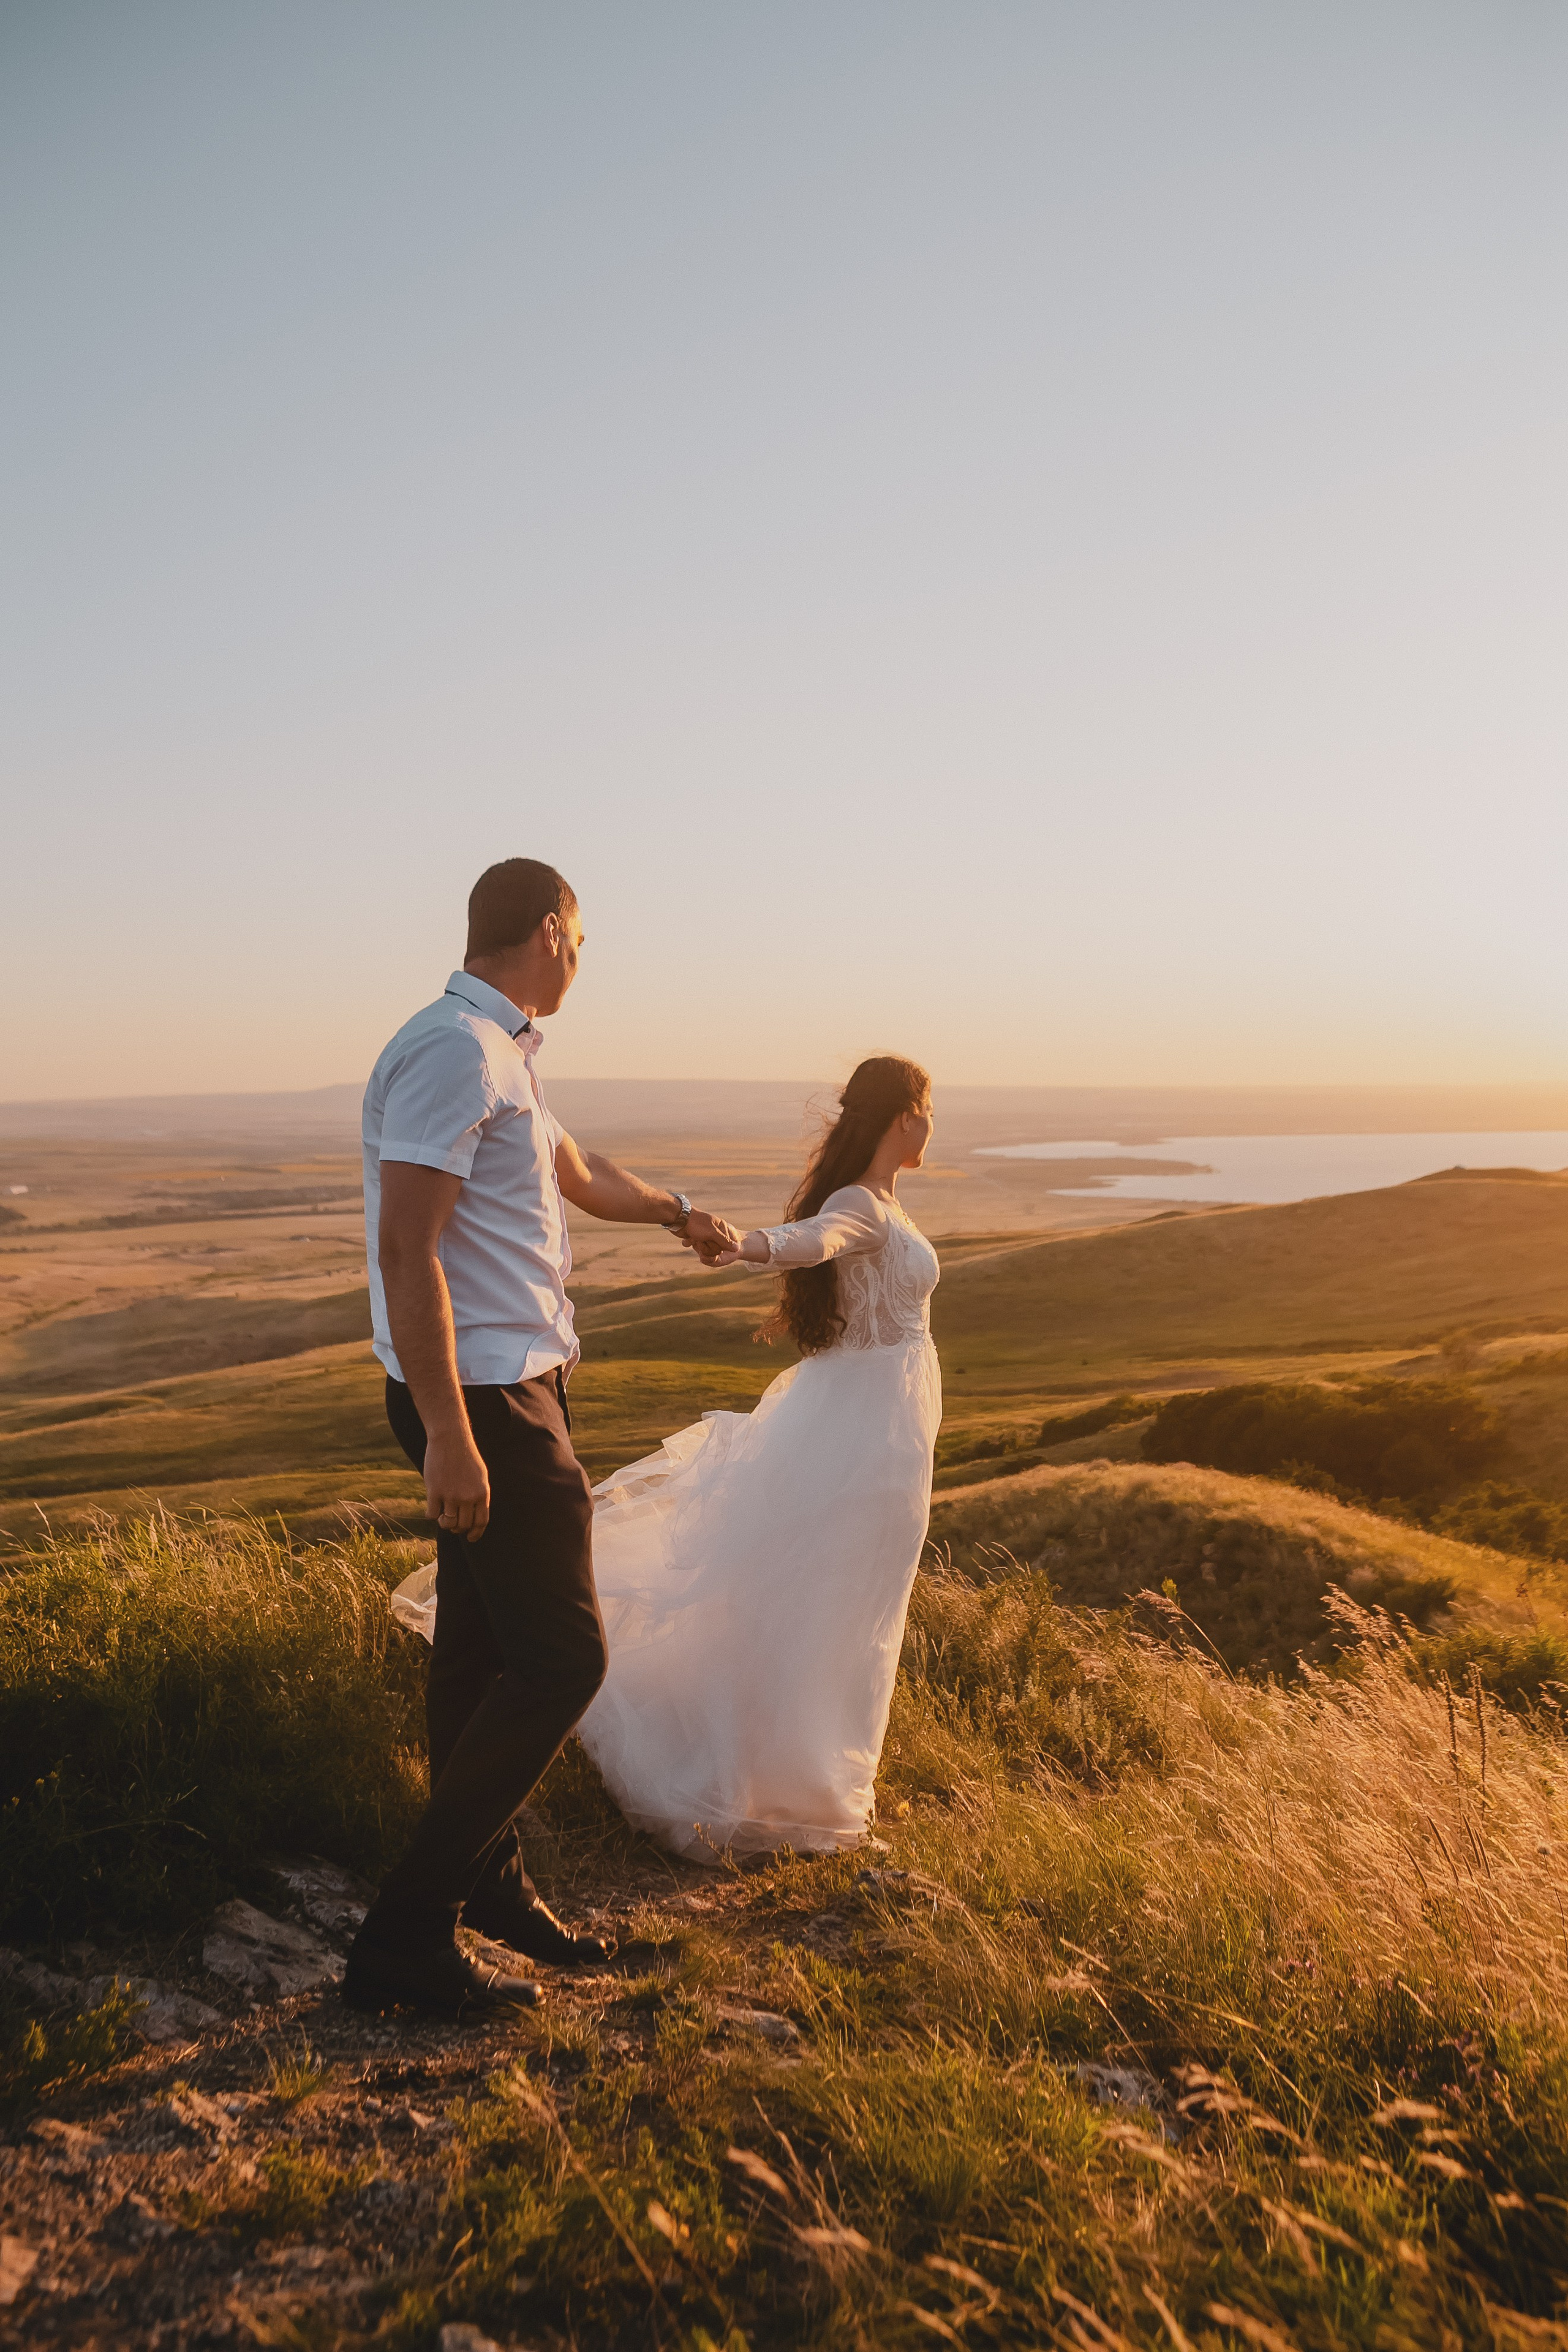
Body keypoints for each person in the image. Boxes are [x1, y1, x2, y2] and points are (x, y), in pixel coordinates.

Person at [344, 858, 740, 2021]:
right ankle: (404, 1940)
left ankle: (492, 1886)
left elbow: (572, 1171)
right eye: (585, 939)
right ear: (553, 930)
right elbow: (407, 1250)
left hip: (513, 1394)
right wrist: (453, 1439)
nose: (585, 961)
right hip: (484, 1405)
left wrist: (676, 1213)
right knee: (565, 1660)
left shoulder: (502, 1052)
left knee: (478, 1656)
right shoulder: (454, 1053)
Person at [393, 1055, 941, 1863]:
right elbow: (811, 1240)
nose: (934, 1125)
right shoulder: (861, 1204)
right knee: (830, 1604)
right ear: (903, 1117)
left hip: (885, 1428)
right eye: (929, 1109)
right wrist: (747, 1244)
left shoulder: (887, 1202)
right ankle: (811, 1798)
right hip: (860, 1431)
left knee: (859, 1605)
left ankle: (825, 1786)